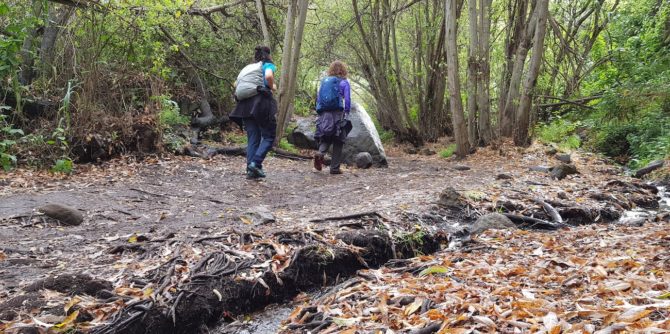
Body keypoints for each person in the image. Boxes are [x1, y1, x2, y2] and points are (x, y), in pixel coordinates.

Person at [230, 46, 277, 179]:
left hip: (244, 106)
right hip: (260, 104)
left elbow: (235, 84)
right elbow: (268, 76)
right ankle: (255, 164)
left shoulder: (248, 68)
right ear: (268, 55)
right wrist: (271, 86)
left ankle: (251, 171)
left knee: (253, 138)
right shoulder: (267, 65)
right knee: (269, 136)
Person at [314, 60, 352, 175]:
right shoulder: (344, 82)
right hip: (337, 114)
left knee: (326, 136)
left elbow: (319, 98)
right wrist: (347, 111)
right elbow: (348, 99)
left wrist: (320, 112)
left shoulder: (325, 82)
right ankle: (334, 168)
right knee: (339, 139)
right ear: (343, 70)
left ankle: (320, 153)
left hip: (324, 113)